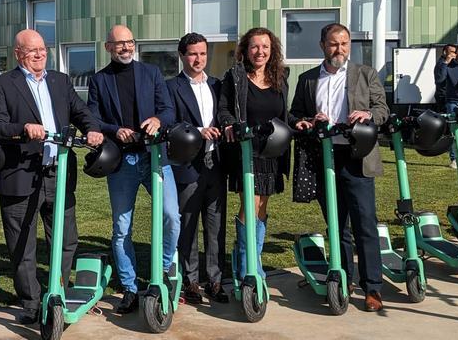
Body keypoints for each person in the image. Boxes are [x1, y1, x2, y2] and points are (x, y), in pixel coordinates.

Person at [0, 29, 103, 324]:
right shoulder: (2, 84)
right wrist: (23, 127)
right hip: (20, 174)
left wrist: (92, 128)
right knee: (23, 245)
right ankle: (33, 303)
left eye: (42, 49)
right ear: (17, 54)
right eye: (31, 50)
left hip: (59, 172)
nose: (38, 54)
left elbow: (80, 111)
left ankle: (56, 294)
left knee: (66, 240)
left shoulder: (60, 81)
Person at [289, 23, 389, 312]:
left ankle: (374, 289)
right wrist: (304, 121)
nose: (340, 49)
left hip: (356, 156)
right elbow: (295, 113)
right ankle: (345, 279)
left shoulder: (365, 74)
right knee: (337, 225)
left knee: (364, 224)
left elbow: (382, 109)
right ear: (322, 45)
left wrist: (368, 113)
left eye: (345, 43)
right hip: (322, 157)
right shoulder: (308, 79)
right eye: (334, 44)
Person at [87, 24, 179, 314]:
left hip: (155, 156)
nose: (126, 47)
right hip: (122, 161)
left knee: (171, 216)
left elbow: (168, 110)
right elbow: (92, 118)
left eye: (130, 42)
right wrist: (116, 130)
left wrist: (156, 120)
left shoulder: (151, 73)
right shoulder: (99, 80)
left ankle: (162, 269)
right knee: (121, 228)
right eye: (120, 43)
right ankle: (129, 287)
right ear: (108, 47)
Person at [216, 27, 290, 285]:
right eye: (255, 46)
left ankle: (246, 255)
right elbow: (223, 107)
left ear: (273, 50)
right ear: (246, 50)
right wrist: (228, 124)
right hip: (245, 148)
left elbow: (284, 113)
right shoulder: (235, 76)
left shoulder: (280, 77)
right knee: (250, 203)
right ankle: (250, 264)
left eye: (266, 47)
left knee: (262, 206)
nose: (261, 52)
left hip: (271, 150)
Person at [165, 32, 228, 304]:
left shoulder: (218, 85)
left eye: (202, 53)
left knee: (215, 226)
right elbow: (170, 123)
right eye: (193, 53)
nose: (198, 58)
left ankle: (214, 280)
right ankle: (191, 282)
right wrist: (198, 131)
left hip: (216, 164)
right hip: (187, 165)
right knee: (187, 225)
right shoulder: (171, 87)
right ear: (182, 55)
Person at [434, 44, 456, 111]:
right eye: (452, 52)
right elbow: (440, 80)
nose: (454, 54)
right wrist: (446, 62)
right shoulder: (442, 63)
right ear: (445, 52)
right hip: (443, 96)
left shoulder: (451, 63)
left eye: (455, 52)